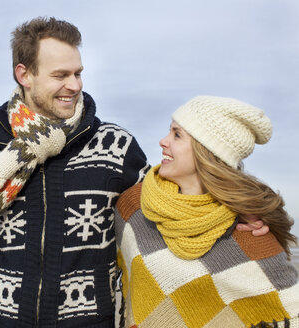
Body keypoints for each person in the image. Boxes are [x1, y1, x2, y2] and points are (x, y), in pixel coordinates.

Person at [0, 17, 150, 327]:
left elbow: (166, 213)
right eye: (60, 75)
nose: (75, 85)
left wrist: (242, 214)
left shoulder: (116, 147)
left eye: (78, 73)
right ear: (24, 75)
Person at [115, 96, 299, 327]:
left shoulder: (248, 233)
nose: (163, 141)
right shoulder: (134, 206)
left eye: (177, 134)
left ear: (207, 153)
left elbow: (289, 311)